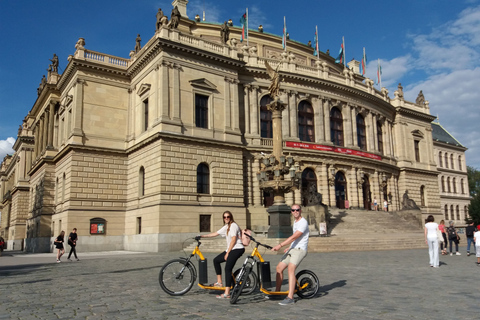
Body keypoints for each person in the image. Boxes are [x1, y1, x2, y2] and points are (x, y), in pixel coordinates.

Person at [199, 211, 245, 299]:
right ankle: (219, 282)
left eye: (228, 217)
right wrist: (202, 236)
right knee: (216, 260)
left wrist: (227, 253)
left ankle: (227, 293)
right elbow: (216, 233)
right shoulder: (226, 226)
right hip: (231, 249)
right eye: (224, 217)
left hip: (237, 249)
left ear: (231, 217)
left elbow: (234, 239)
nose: (226, 218)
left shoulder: (233, 226)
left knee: (227, 269)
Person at [271, 204, 309, 305]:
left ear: (301, 210)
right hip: (293, 248)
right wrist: (290, 247)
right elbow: (295, 239)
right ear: (291, 212)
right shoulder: (295, 222)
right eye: (293, 210)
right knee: (279, 268)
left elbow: (294, 236)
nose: (295, 211)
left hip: (300, 250)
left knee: (290, 269)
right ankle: (277, 292)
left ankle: (290, 297)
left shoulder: (303, 222)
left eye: (297, 210)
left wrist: (280, 245)